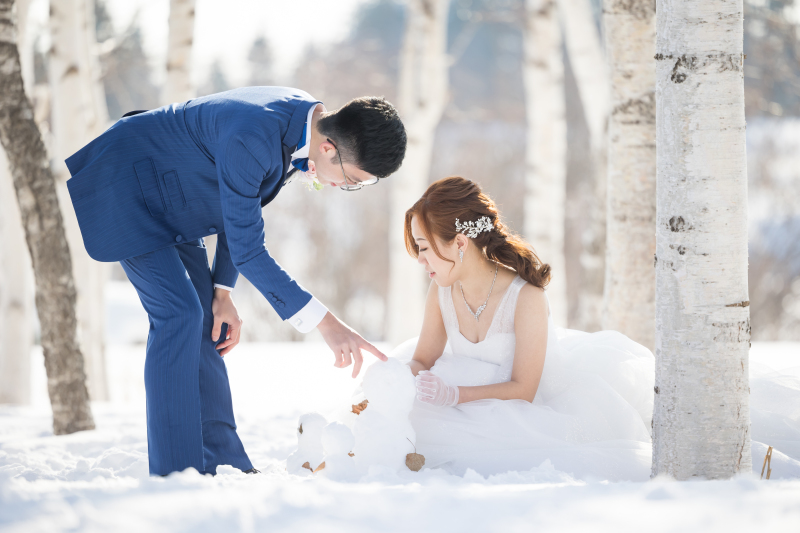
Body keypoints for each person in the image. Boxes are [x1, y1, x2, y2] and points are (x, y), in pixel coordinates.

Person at [64, 87, 407, 476]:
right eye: (352, 180)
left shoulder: (302, 129)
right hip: (128, 185)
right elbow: (249, 249)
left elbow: (244, 207)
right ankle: (177, 474)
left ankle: (224, 461)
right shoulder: (255, 134)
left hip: (178, 199)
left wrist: (223, 291)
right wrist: (327, 324)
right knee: (179, 314)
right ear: (329, 148)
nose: (345, 188)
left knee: (207, 317)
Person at [397, 176, 655, 481]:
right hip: (462, 405)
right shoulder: (440, 291)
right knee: (401, 427)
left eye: (424, 247)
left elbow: (524, 390)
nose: (420, 259)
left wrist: (453, 394)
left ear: (461, 243)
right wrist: (396, 380)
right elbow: (423, 360)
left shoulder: (526, 297)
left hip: (525, 412)